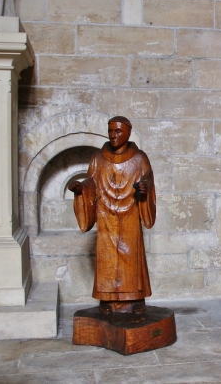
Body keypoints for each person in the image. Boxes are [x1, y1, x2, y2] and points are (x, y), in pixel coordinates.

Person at [68, 116, 156, 314]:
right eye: (110, 131)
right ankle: (107, 300)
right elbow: (91, 182)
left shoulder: (140, 158)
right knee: (107, 258)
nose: (113, 135)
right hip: (106, 216)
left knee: (131, 258)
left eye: (118, 131)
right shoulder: (98, 158)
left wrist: (145, 187)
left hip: (131, 215)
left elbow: (148, 181)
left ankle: (135, 299)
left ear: (128, 132)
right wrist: (81, 188)